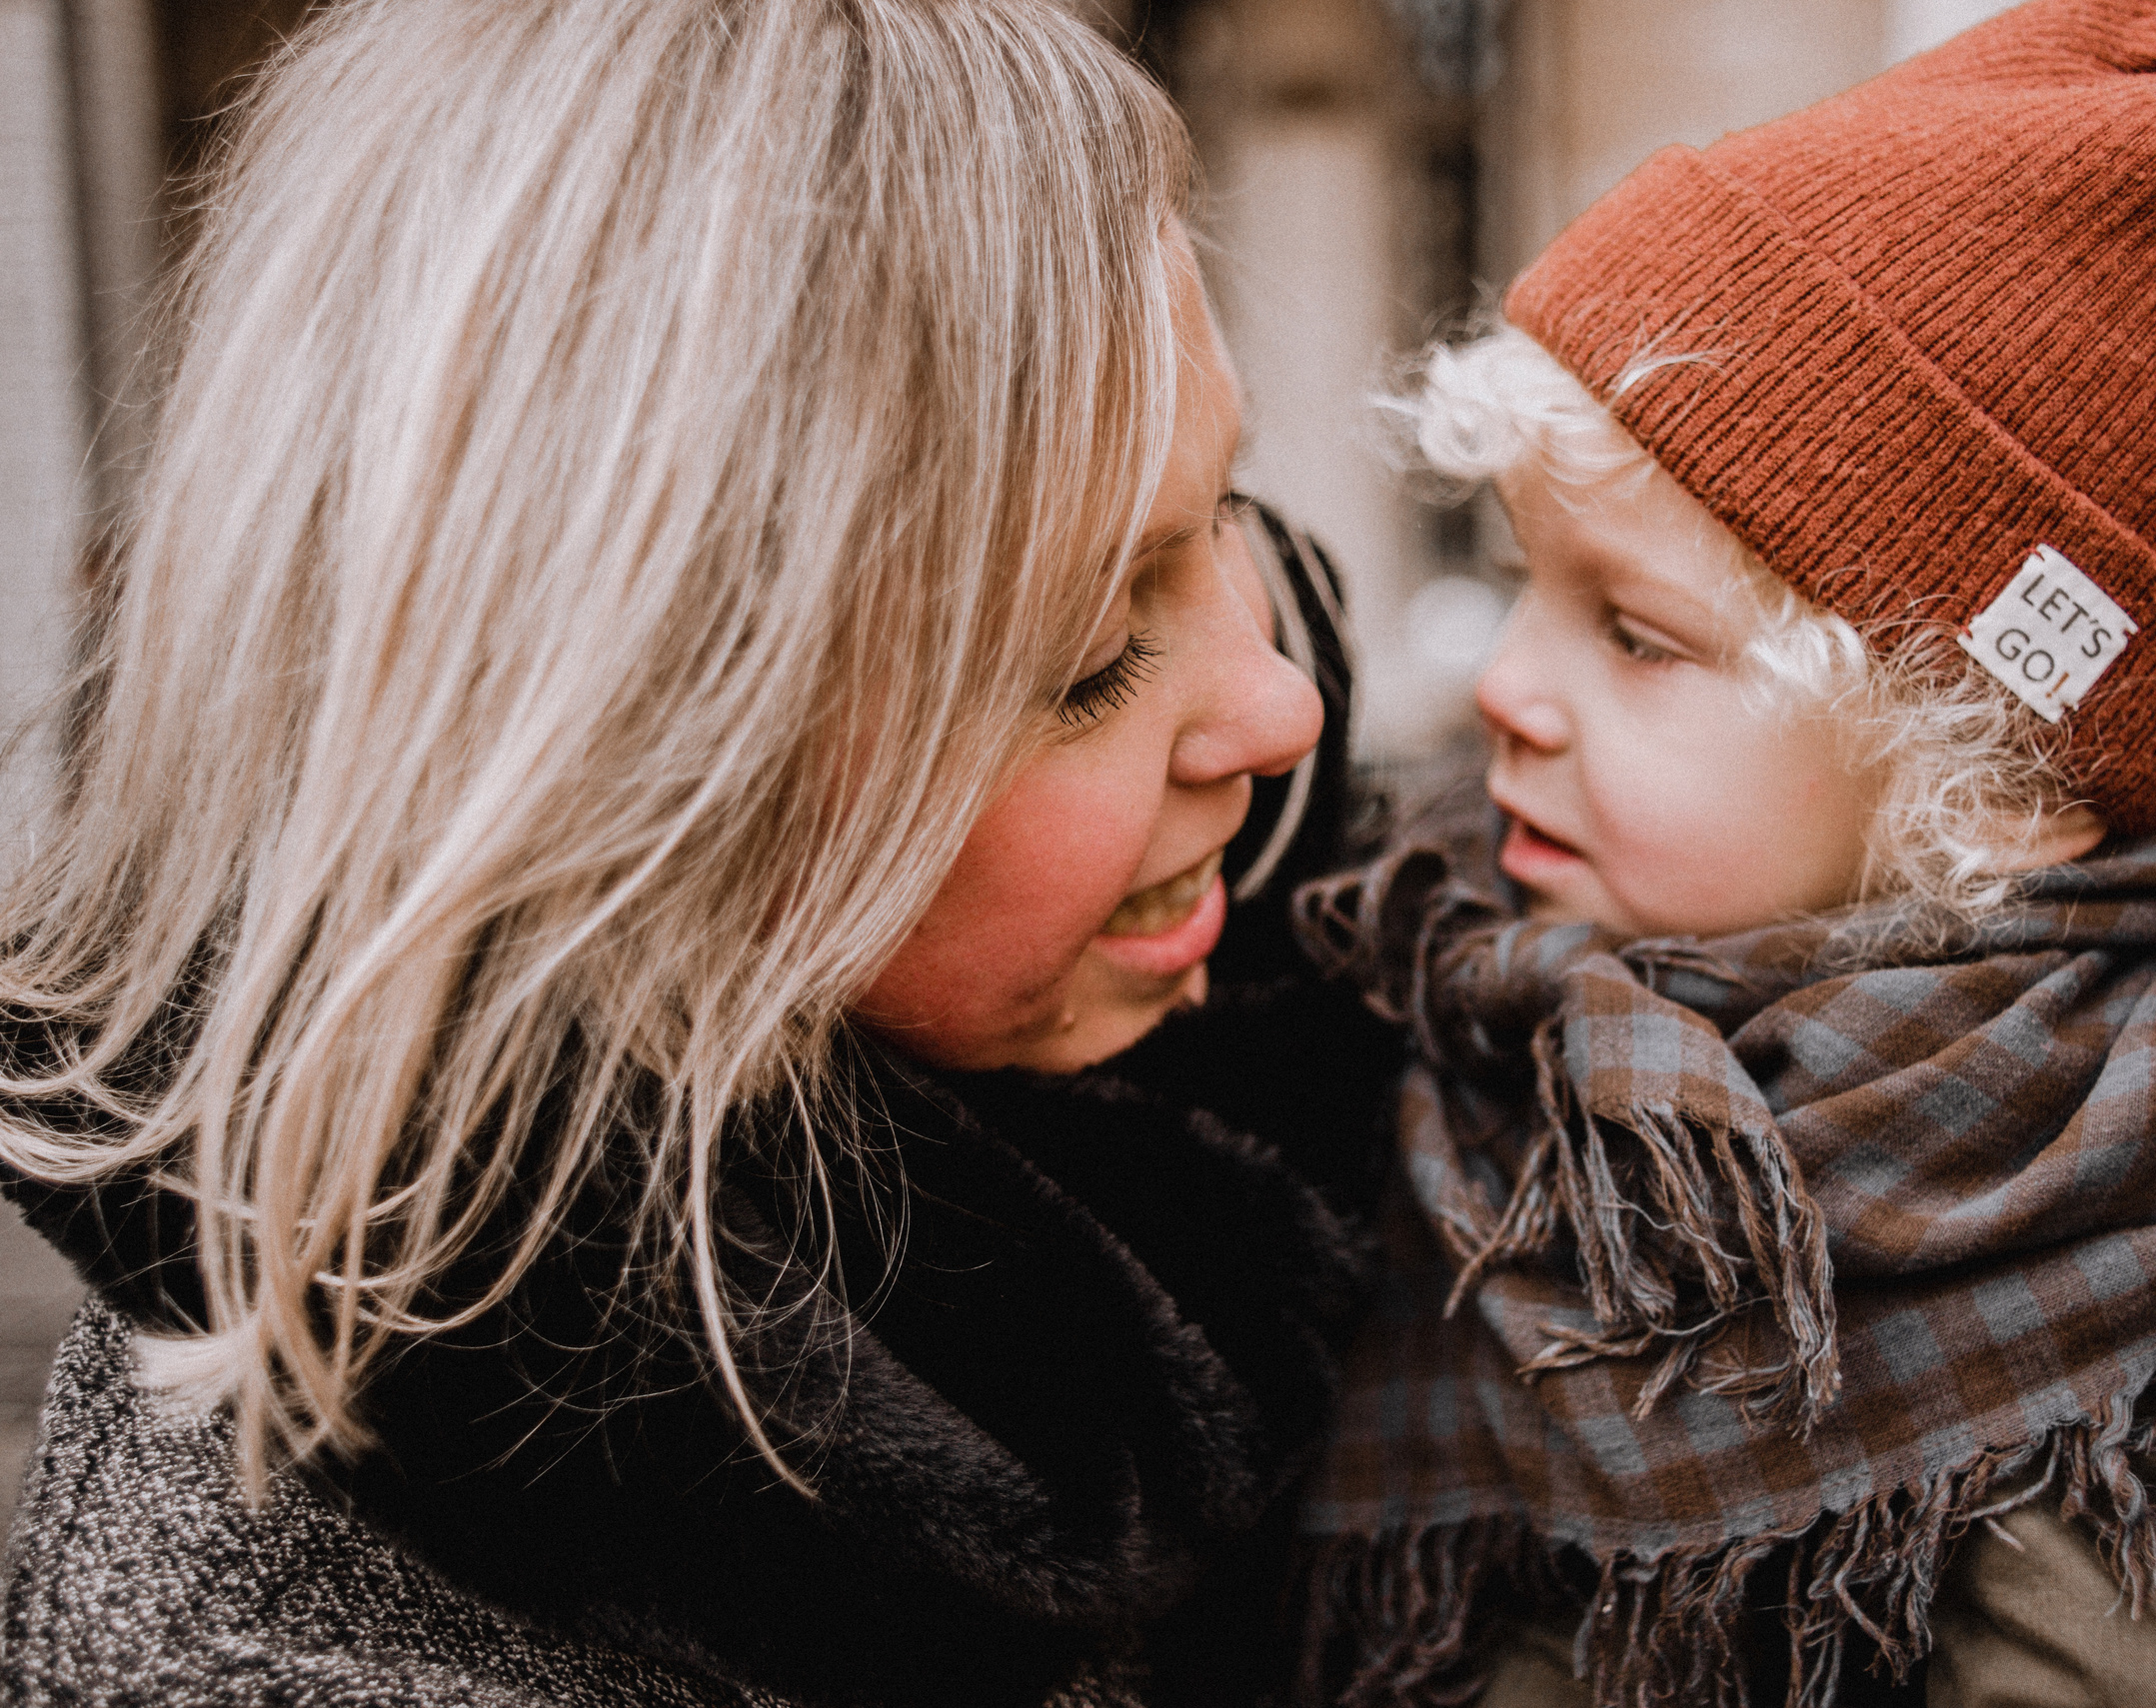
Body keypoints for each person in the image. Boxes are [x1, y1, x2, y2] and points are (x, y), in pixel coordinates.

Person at [0, 3, 1404, 1705]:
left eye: (1226, 518)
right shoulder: (320, 1641)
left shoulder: (1297, 988)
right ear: (637, 765)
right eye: (1093, 654)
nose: (1276, 706)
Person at [1289, 1, 2156, 1703]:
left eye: (1639, 637)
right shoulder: (1458, 1011)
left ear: (1995, 772)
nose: (1506, 686)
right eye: (1530, 583)